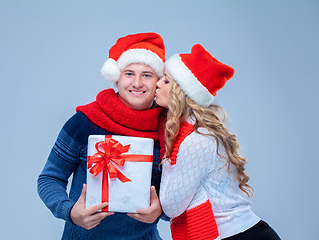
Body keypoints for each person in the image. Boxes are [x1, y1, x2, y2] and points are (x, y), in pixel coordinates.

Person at [37, 32, 167, 240]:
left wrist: (162, 210)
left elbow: (180, 195)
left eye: (147, 75)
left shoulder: (170, 130)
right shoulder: (84, 122)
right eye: (129, 73)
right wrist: (70, 212)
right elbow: (50, 178)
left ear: (158, 82)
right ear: (117, 78)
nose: (137, 83)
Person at [156, 44, 281, 240]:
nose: (157, 84)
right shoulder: (194, 133)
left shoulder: (196, 141)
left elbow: (171, 206)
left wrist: (167, 158)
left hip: (239, 235)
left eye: (166, 80)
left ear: (182, 92)